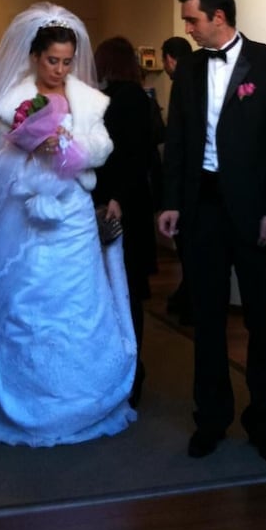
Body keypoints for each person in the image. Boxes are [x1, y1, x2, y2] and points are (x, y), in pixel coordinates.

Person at [0, 3, 137, 447]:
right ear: (35, 57)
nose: (61, 69)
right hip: (28, 214)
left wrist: (73, 148)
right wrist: (31, 147)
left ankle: (80, 396)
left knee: (80, 299)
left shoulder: (87, 99)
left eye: (68, 62)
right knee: (27, 298)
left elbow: (103, 147)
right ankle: (26, 395)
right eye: (53, 60)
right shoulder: (14, 102)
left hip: (73, 214)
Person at [158, 0, 266, 464]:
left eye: (192, 19)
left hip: (257, 214)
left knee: (262, 321)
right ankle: (211, 419)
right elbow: (177, 138)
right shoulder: (190, 69)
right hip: (202, 211)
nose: (187, 28)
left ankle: (262, 421)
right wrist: (171, 201)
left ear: (218, 16)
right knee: (208, 320)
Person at [93, 35, 159, 408]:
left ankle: (132, 371)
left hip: (122, 206)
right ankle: (125, 370)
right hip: (124, 202)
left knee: (125, 289)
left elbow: (133, 156)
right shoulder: (130, 96)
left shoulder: (126, 98)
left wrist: (115, 197)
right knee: (122, 290)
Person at [160, 35, 195, 324]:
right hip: (197, 184)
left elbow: (175, 141)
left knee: (189, 249)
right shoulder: (199, 76)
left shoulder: (182, 83)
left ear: (169, 59)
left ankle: (190, 301)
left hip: (187, 185)